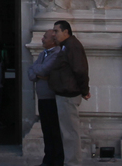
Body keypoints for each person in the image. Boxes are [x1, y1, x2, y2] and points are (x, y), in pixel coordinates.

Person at [48, 21, 90, 166]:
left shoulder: (72, 46)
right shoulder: (66, 46)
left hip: (68, 95)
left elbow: (80, 70)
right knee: (67, 132)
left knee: (70, 132)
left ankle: (73, 163)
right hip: (64, 94)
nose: (54, 34)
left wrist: (85, 90)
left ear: (66, 32)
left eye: (56, 31)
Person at [27, 30, 64, 166]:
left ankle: (57, 159)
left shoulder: (57, 53)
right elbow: (30, 71)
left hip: (51, 97)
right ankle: (48, 159)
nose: (42, 39)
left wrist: (38, 72)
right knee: (46, 130)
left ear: (53, 41)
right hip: (42, 97)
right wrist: (38, 73)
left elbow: (43, 70)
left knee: (54, 130)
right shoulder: (43, 54)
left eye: (45, 37)